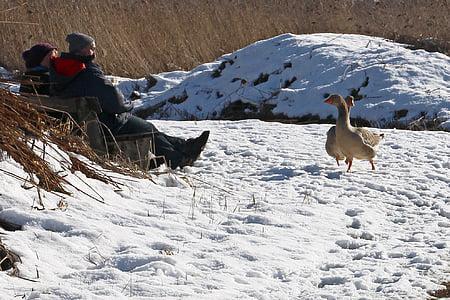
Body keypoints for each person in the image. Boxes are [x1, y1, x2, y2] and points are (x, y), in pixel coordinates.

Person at [49, 32, 209, 170]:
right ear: (83, 50)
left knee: (147, 127)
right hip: (101, 126)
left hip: (83, 123)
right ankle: (178, 159)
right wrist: (129, 104)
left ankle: (185, 145)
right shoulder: (88, 73)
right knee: (146, 128)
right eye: (92, 47)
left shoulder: (61, 69)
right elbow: (116, 103)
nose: (94, 50)